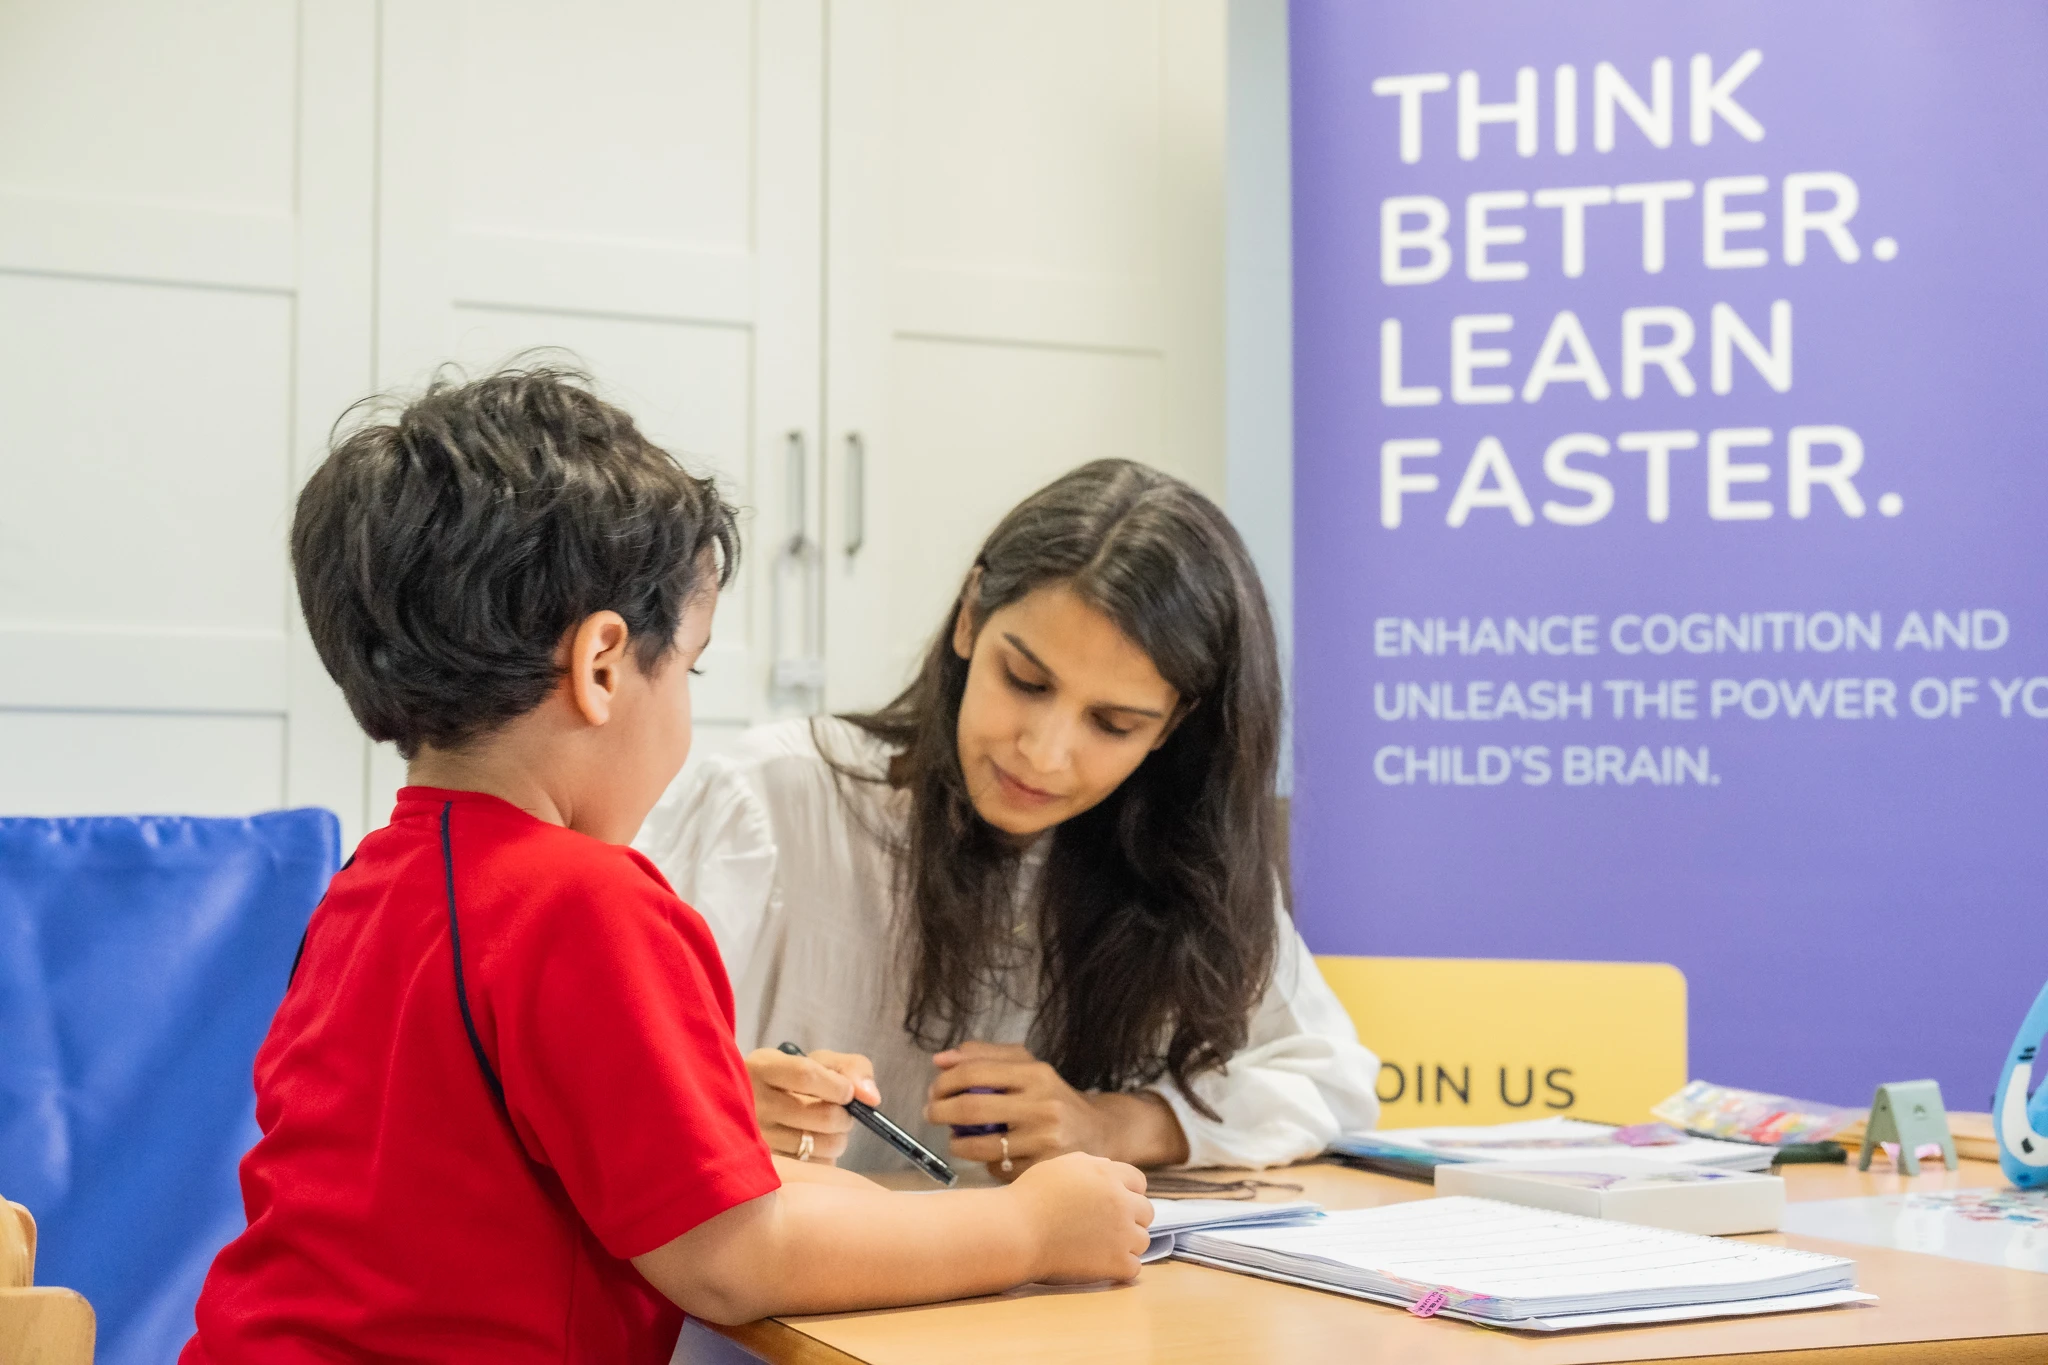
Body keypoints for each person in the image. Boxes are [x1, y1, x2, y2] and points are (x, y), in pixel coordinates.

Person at [180, 368, 1152, 1365]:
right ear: (603, 667)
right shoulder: (586, 902)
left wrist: (738, 1125)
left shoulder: (369, 887)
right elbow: (729, 1256)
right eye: (687, 668)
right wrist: (1032, 1226)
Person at [638, 459, 1379, 1180]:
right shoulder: (765, 802)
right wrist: (719, 1100)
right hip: (776, 1298)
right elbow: (594, 1067)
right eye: (1025, 681)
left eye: (1114, 723)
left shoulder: (1179, 856)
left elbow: (1334, 1081)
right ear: (970, 616)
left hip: (1038, 1301)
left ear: (1171, 727)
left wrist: (1114, 1122)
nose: (1046, 754)